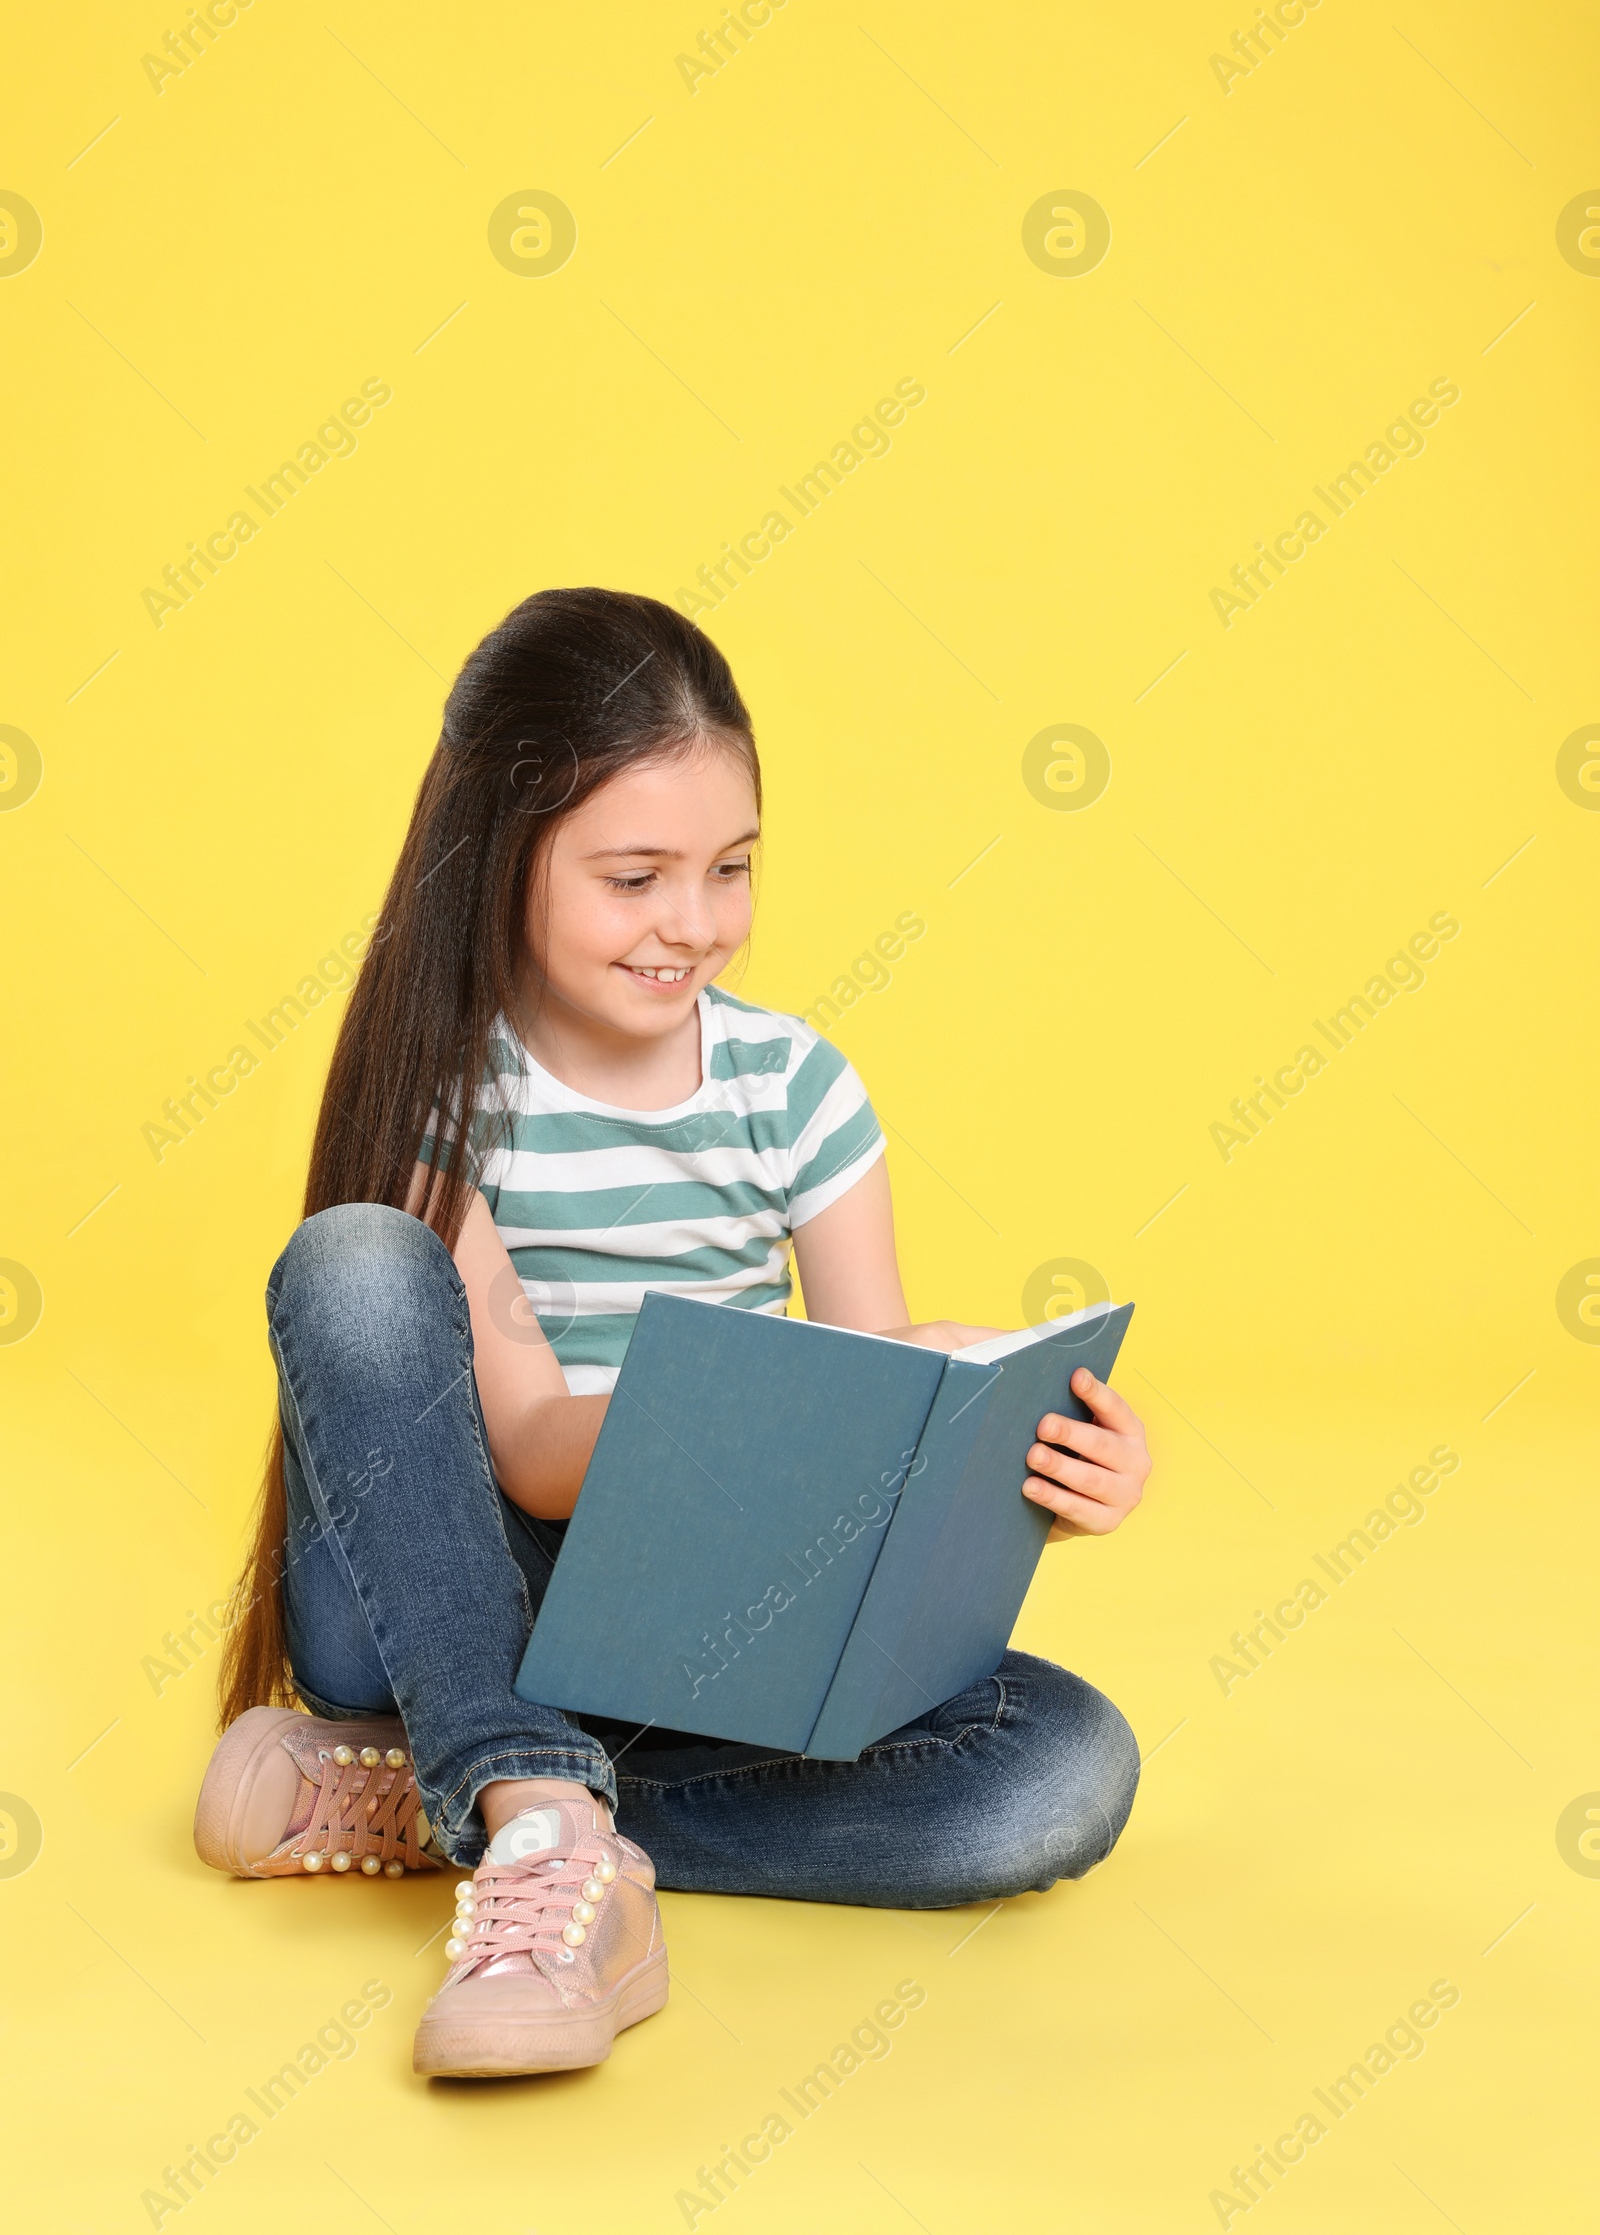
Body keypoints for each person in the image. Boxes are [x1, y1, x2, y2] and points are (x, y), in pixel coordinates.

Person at [193, 587, 1151, 2079]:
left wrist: (1014, 1451)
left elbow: (864, 1441)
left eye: (730, 870)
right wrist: (726, 1401)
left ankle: (485, 1806)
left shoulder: (797, 1090)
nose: (692, 926)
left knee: (1060, 1772)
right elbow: (525, 1448)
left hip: (689, 1642)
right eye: (635, 878)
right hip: (440, 1600)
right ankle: (527, 1801)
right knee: (356, 1264)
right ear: (509, 857)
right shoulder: (446, 1091)